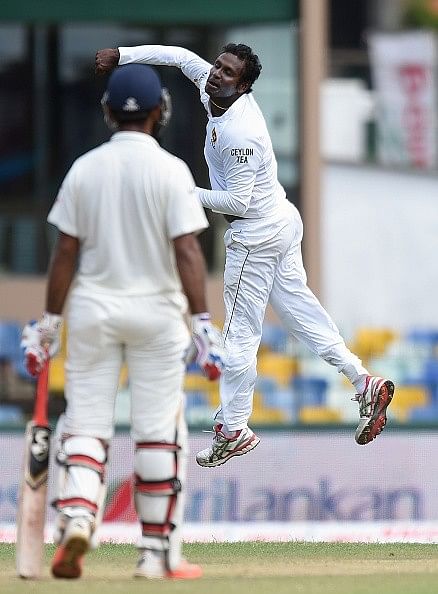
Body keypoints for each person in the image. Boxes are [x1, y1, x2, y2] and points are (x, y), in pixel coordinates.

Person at [95, 43, 395, 469]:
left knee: (239, 337)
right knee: (300, 315)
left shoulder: (241, 132)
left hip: (255, 232)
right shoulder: (211, 87)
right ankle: (363, 381)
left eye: (228, 73)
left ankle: (233, 428)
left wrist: (179, 188)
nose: (216, 74)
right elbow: (180, 57)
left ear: (245, 85)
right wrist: (123, 55)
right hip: (280, 220)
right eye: (219, 65)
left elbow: (235, 201)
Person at [20, 63, 225, 580]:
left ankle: (77, 519)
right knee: (158, 432)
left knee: (86, 424)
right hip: (157, 315)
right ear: (160, 112)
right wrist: (202, 321)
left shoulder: (85, 168)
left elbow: (65, 251)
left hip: (93, 310)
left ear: (108, 112)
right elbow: (188, 252)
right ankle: (155, 557)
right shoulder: (172, 170)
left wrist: (49, 321)